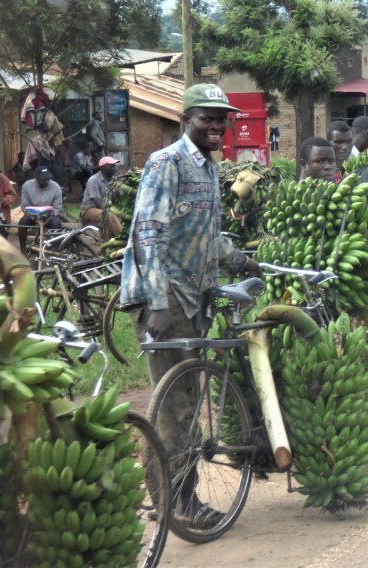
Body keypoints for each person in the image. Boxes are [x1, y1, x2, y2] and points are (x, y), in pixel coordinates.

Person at [118, 84, 260, 528]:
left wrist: (241, 259)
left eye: (222, 119)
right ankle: (177, 503)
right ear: (186, 119)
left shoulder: (208, 169)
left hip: (194, 300)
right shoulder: (167, 163)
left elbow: (203, 237)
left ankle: (176, 497)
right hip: (167, 301)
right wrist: (157, 304)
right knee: (176, 409)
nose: (217, 126)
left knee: (186, 403)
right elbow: (149, 235)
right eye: (206, 117)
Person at [17, 165, 63, 254]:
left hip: (50, 216)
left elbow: (58, 208)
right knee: (22, 223)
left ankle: (57, 250)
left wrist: (51, 213)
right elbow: (25, 206)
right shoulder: (26, 186)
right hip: (32, 215)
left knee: (56, 223)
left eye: (47, 179)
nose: (46, 181)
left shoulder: (56, 187)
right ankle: (22, 249)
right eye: (43, 179)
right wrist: (32, 214)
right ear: (36, 178)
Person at [80, 156, 123, 238]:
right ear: (103, 168)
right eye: (112, 166)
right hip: (89, 211)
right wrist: (115, 212)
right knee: (108, 216)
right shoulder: (93, 180)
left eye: (115, 166)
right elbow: (98, 203)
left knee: (112, 217)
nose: (115, 168)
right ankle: (121, 237)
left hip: (105, 210)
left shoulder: (114, 180)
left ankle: (109, 244)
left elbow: (118, 199)